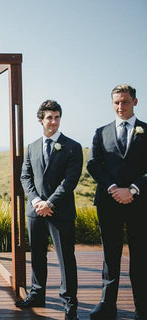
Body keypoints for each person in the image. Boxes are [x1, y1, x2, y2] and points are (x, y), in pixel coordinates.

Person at [18, 100, 83, 320]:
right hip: (35, 211)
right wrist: (37, 201)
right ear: (41, 120)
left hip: (60, 211)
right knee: (37, 255)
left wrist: (50, 203)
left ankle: (69, 302)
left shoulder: (73, 146)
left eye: (57, 117)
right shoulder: (32, 146)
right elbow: (25, 177)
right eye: (49, 117)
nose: (53, 121)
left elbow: (70, 180)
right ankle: (36, 294)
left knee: (66, 257)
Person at [87, 84, 147, 320]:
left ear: (135, 102)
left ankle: (142, 308)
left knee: (141, 256)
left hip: (141, 202)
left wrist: (133, 189)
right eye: (116, 102)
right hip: (109, 202)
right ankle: (106, 306)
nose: (120, 107)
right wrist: (113, 189)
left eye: (125, 102)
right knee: (110, 256)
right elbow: (93, 164)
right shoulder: (101, 132)